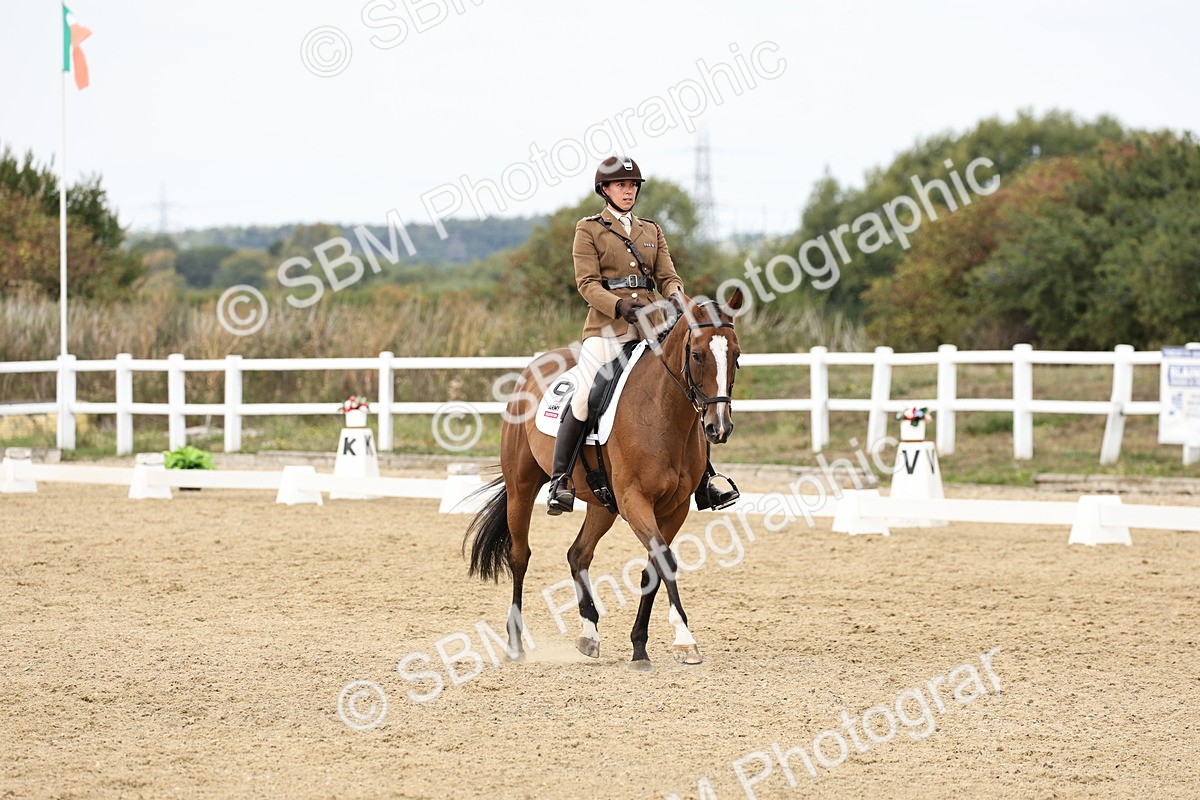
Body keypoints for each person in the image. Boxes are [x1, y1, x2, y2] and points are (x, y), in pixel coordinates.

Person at [545, 155, 740, 515]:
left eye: (633, 185)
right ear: (604, 189)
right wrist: (620, 307)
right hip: (607, 330)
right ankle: (561, 481)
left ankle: (704, 481)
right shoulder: (588, 229)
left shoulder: (651, 230)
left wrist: (682, 303)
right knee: (586, 392)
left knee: (688, 390)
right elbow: (587, 284)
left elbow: (668, 277)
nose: (628, 190)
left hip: (654, 328)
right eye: (621, 185)